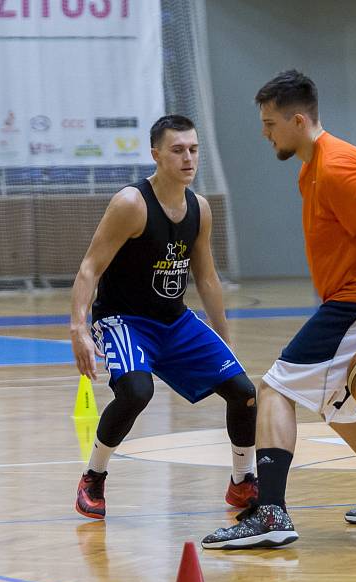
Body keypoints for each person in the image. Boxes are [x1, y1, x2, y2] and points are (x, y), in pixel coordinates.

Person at [202, 70, 356, 550]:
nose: (265, 132)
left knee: (274, 388)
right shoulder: (313, 168)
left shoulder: (336, 169)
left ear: (299, 119)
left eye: (270, 123)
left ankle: (270, 514)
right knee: (339, 406)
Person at [70, 114, 258, 520]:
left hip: (174, 321)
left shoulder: (200, 208)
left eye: (193, 149)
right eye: (177, 150)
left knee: (244, 392)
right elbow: (89, 267)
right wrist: (79, 329)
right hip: (124, 320)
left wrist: (223, 338)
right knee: (137, 392)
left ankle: (243, 482)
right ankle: (93, 476)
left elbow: (206, 278)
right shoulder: (130, 204)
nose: (188, 158)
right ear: (156, 154)